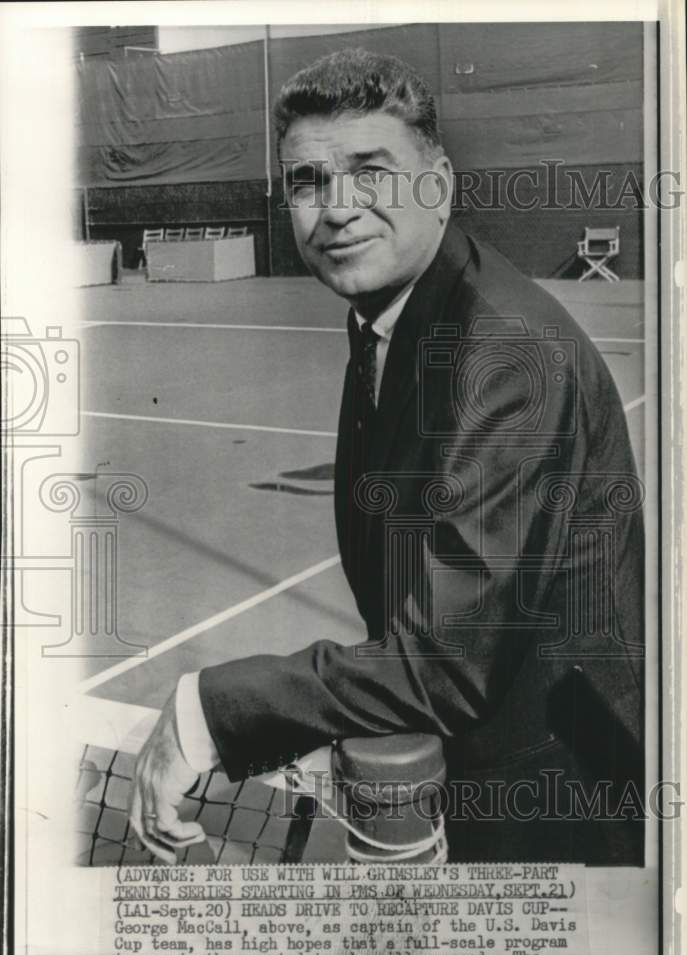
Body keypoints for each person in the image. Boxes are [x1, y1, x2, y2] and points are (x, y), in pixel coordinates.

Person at [129, 49, 644, 864]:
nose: (337, 209)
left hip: (550, 786)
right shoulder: (393, 314)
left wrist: (207, 713)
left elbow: (445, 663)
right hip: (479, 753)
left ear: (437, 185)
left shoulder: (505, 357)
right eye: (307, 181)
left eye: (371, 171)